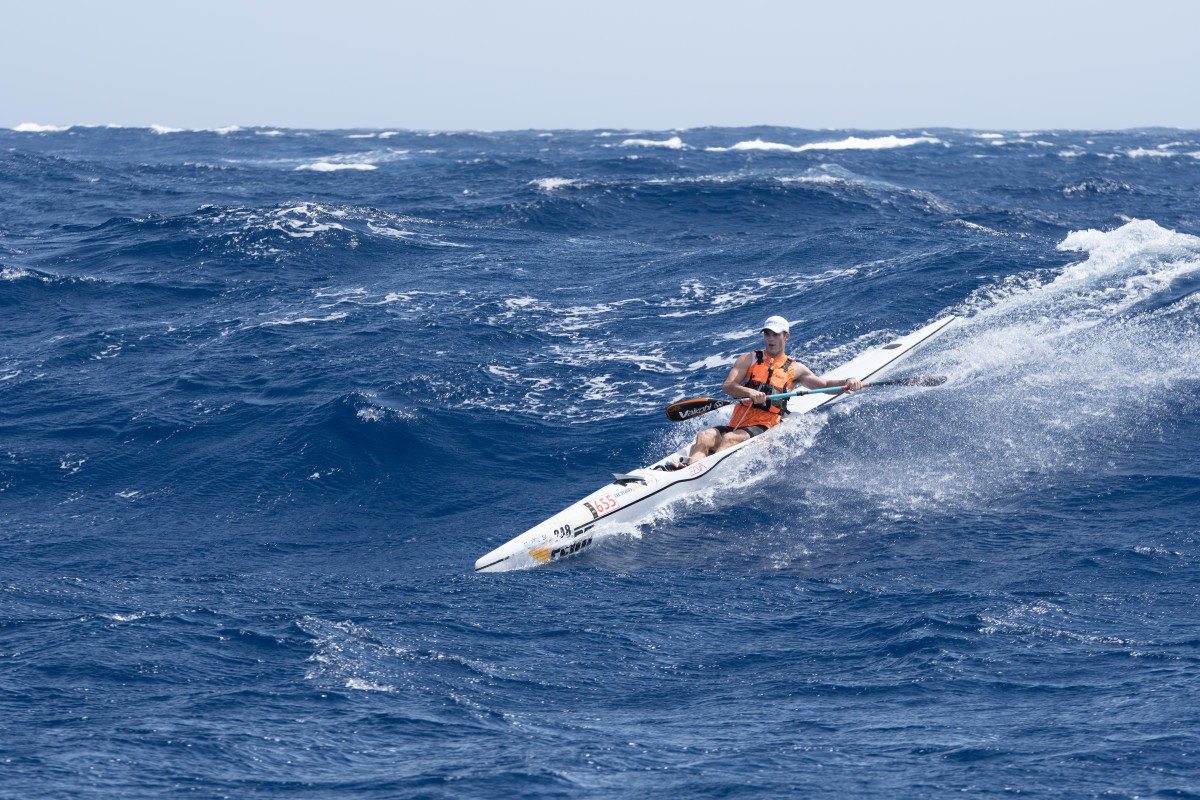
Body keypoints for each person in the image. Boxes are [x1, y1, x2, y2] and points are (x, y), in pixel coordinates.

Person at [661, 315, 862, 469]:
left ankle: (702, 472)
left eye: (775, 334)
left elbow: (824, 384)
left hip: (764, 427)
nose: (770, 339)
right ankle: (690, 469)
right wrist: (749, 391)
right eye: (767, 334)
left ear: (786, 336)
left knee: (729, 439)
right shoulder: (748, 359)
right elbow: (728, 386)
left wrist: (847, 381)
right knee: (704, 435)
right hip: (738, 423)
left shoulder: (795, 369)